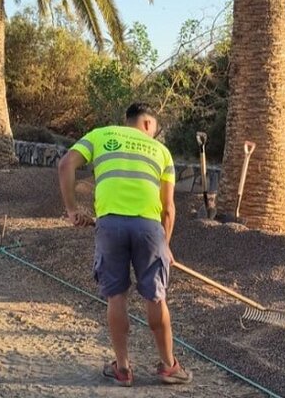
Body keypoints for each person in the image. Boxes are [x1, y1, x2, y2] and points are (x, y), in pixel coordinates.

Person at [58, 102, 191, 387]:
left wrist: (72, 209)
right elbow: (168, 209)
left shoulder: (100, 135)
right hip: (149, 228)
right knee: (155, 297)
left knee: (116, 296)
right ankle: (169, 366)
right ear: (147, 124)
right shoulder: (162, 152)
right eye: (154, 128)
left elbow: (66, 164)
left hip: (109, 225)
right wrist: (164, 246)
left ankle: (122, 369)